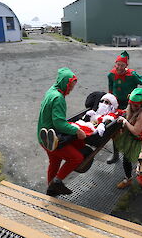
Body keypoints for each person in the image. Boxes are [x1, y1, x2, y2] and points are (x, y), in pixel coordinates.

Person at [37, 67, 86, 197]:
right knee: (77, 158)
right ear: (65, 83)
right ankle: (57, 182)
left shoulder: (51, 91)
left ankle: (50, 191)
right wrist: (77, 130)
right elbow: (59, 123)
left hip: (43, 136)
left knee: (55, 161)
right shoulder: (58, 98)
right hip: (52, 138)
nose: (71, 89)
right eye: (70, 86)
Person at [107, 51, 142, 164]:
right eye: (118, 64)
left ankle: (132, 153)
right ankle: (116, 154)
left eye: (122, 65)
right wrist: (110, 99)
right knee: (115, 129)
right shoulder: (111, 74)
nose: (119, 67)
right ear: (115, 64)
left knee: (133, 129)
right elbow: (110, 88)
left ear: (126, 66)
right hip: (117, 104)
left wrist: (141, 97)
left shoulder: (132, 75)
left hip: (132, 106)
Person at [114, 88, 142, 189]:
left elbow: (135, 131)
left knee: (137, 161)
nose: (133, 107)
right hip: (130, 137)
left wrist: (125, 121)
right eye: (132, 104)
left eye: (136, 105)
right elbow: (126, 113)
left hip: (139, 140)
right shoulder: (130, 107)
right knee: (127, 159)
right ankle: (129, 178)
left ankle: (137, 180)